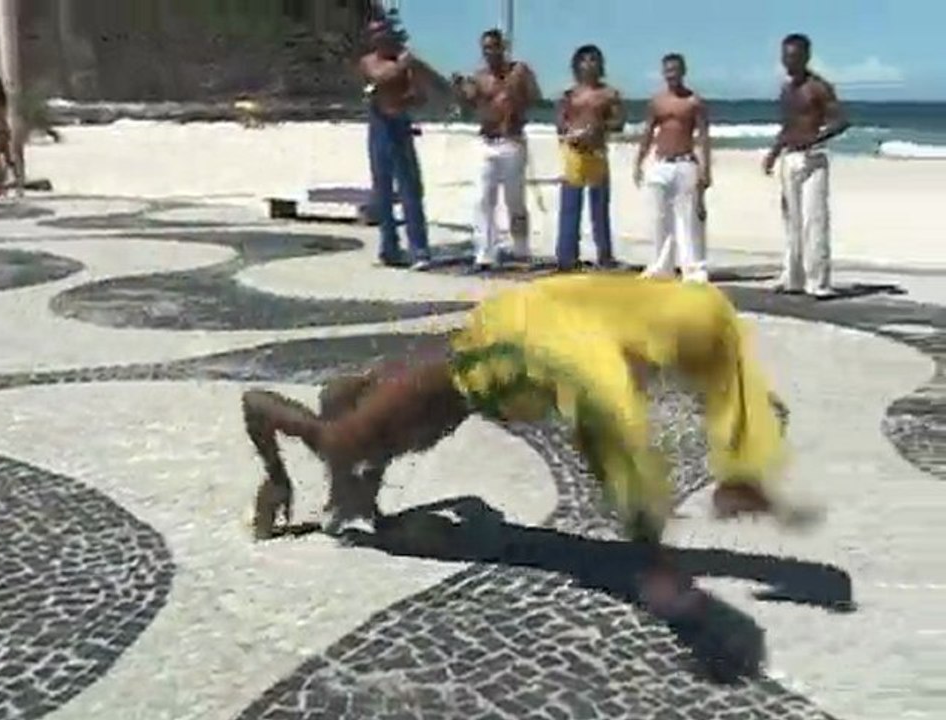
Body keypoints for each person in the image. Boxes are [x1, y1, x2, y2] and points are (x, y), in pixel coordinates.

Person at [242, 274, 788, 609]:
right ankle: (344, 498)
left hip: (485, 361)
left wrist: (301, 482)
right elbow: (258, 403)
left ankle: (350, 498)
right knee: (351, 453)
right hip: (474, 364)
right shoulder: (368, 430)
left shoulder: (374, 425)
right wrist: (283, 477)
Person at [763, 34, 850, 298]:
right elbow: (787, 126)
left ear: (806, 57)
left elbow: (841, 121)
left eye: (793, 57)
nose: (788, 62)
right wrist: (773, 152)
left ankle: (818, 281)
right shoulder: (786, 90)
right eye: (785, 56)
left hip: (813, 157)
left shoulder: (819, 87)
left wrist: (816, 138)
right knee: (792, 219)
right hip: (790, 156)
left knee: (815, 219)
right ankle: (793, 278)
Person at [451, 29, 542, 271]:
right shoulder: (479, 78)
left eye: (494, 46)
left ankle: (521, 248)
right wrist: (460, 91)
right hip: (487, 141)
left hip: (512, 141)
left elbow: (536, 98)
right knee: (482, 199)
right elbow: (468, 108)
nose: (490, 52)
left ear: (503, 47)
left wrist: (515, 93)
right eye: (486, 48)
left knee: (515, 200)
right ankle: (485, 252)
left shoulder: (519, 71)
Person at [358, 20, 432, 271]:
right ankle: (389, 247)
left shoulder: (404, 62)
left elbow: (420, 95)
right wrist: (402, 66)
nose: (380, 37)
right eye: (375, 33)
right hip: (379, 127)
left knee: (410, 189)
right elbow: (378, 79)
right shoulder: (370, 62)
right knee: (383, 190)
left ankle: (419, 248)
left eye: (383, 32)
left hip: (400, 125)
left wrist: (409, 90)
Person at [634, 54, 711, 283]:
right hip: (661, 163)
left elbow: (704, 136)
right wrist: (638, 161)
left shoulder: (694, 102)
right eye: (668, 70)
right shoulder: (657, 101)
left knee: (688, 219)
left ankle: (693, 268)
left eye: (675, 70)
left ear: (683, 71)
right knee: (660, 218)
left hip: (685, 162)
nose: (672, 75)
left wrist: (706, 169)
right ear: (663, 73)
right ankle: (662, 266)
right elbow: (648, 132)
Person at [555, 45, 624, 271]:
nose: (589, 64)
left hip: (597, 153)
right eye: (584, 60)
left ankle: (604, 256)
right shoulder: (570, 94)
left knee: (600, 208)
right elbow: (560, 122)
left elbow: (619, 122)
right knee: (570, 206)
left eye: (593, 59)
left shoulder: (609, 94)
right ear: (577, 65)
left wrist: (599, 128)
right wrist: (572, 133)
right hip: (575, 153)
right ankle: (566, 257)